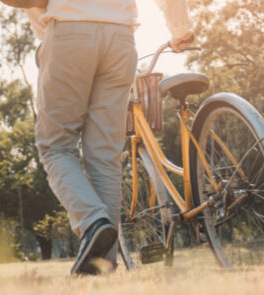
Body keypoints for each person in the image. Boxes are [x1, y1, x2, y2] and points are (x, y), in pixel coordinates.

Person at [25, 0, 195, 275]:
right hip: (120, 36)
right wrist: (180, 28)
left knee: (56, 147)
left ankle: (92, 221)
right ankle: (104, 265)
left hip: (68, 29)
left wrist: (46, 36)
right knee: (105, 157)